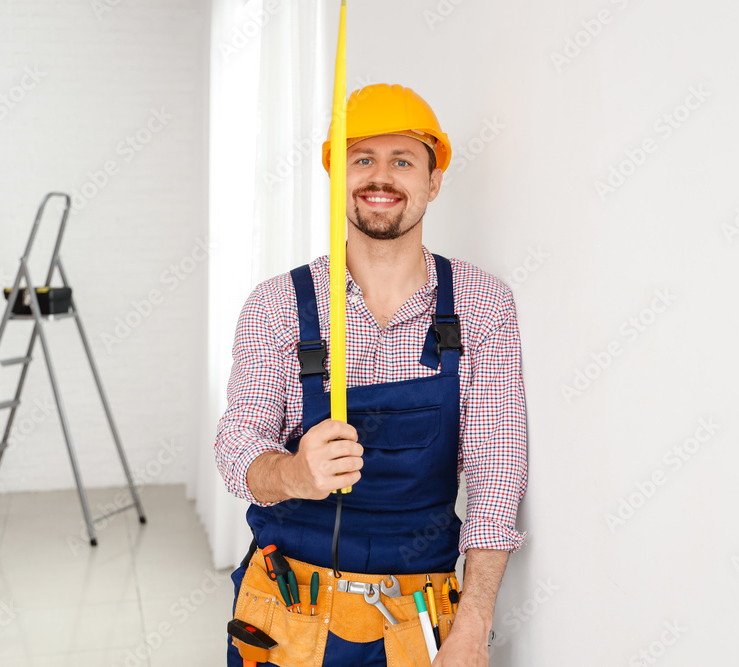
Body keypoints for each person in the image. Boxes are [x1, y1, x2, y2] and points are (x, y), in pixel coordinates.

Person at [215, 83, 527, 667]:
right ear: (338, 176)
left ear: (433, 183)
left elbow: (497, 469)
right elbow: (236, 446)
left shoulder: (481, 304)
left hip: (419, 620)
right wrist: (292, 472)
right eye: (363, 159)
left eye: (402, 160)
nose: (380, 177)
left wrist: (475, 622)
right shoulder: (278, 304)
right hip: (286, 617)